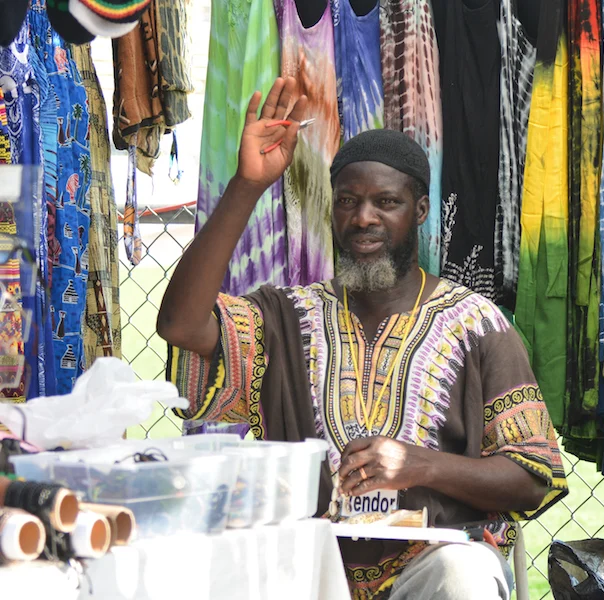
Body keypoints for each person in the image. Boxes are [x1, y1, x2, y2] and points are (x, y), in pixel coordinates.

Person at [157, 77, 567, 600]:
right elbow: (180, 326)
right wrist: (248, 185)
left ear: (419, 211)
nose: (363, 217)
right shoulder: (285, 317)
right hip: (308, 564)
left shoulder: (477, 326)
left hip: (430, 564)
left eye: (386, 202)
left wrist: (420, 464)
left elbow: (532, 475)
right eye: (347, 200)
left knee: (465, 576)